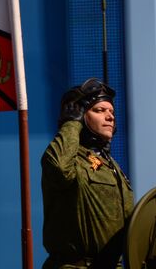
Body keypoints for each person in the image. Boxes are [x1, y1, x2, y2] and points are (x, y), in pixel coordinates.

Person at [41, 78, 134, 268]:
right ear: (81, 115)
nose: (110, 117)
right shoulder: (70, 158)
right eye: (99, 110)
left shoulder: (112, 167)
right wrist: (71, 125)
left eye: (112, 112)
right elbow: (60, 169)